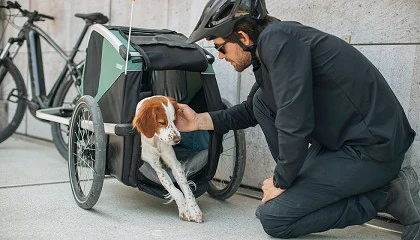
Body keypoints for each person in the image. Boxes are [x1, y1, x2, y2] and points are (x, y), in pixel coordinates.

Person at [176, 0, 418, 239]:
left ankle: (390, 194)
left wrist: (282, 180)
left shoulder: (278, 39)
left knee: (275, 219)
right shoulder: (272, 50)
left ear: (243, 37)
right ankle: (296, 191)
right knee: (261, 101)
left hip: (373, 148)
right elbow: (252, 111)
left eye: (220, 47)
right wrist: (197, 120)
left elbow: (295, 118)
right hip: (342, 146)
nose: (220, 57)